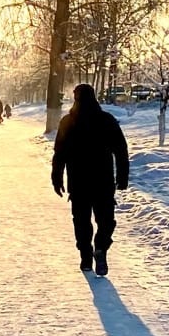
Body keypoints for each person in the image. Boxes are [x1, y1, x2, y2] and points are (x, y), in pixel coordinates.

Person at [51, 83, 130, 276]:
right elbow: (121, 150)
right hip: (102, 181)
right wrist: (122, 176)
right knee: (106, 220)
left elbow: (59, 153)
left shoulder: (68, 122)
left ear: (76, 98)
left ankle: (86, 256)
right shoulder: (106, 120)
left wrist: (57, 177)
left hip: (78, 182)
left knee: (81, 220)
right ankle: (101, 247)